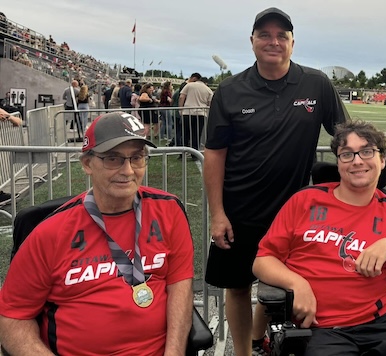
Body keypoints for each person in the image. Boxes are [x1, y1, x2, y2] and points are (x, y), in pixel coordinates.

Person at [203, 7, 350, 356]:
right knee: (238, 287)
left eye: (281, 36)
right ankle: (242, 352)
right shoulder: (230, 90)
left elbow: (345, 136)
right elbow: (214, 154)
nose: (273, 42)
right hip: (240, 210)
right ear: (252, 41)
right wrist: (217, 213)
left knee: (283, 284)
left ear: (292, 43)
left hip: (297, 212)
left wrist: (367, 162)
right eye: (265, 35)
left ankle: (258, 335)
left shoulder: (316, 84)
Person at [253, 120, 386, 356]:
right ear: (339, 163)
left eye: (367, 151)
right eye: (347, 154)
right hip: (320, 326)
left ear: (382, 160)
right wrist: (296, 283)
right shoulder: (305, 201)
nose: (358, 160)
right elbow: (263, 260)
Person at [0, 111, 195, 355]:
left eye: (136, 158)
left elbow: (179, 284)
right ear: (87, 164)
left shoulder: (169, 210)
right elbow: (12, 317)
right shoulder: (49, 232)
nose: (128, 171)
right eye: (113, 159)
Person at [178, 73, 212, 154]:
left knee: (185, 133)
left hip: (187, 112)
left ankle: (183, 152)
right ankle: (195, 153)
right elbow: (210, 103)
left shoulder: (189, 85)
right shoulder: (208, 90)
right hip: (201, 114)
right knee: (196, 135)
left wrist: (180, 109)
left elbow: (181, 97)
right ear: (205, 83)